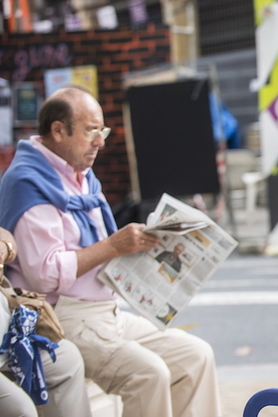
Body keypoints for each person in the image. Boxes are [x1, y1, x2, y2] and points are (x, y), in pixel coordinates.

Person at [0, 86, 222, 417]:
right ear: (58, 130)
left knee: (196, 354)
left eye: (101, 131)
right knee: (149, 373)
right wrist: (112, 246)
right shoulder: (30, 182)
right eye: (91, 131)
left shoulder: (79, 175)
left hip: (106, 311)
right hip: (64, 315)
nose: (100, 142)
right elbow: (44, 274)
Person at [0, 227, 93, 417]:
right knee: (21, 410)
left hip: (7, 334)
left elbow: (6, 236)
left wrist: (5, 247)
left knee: (65, 357)